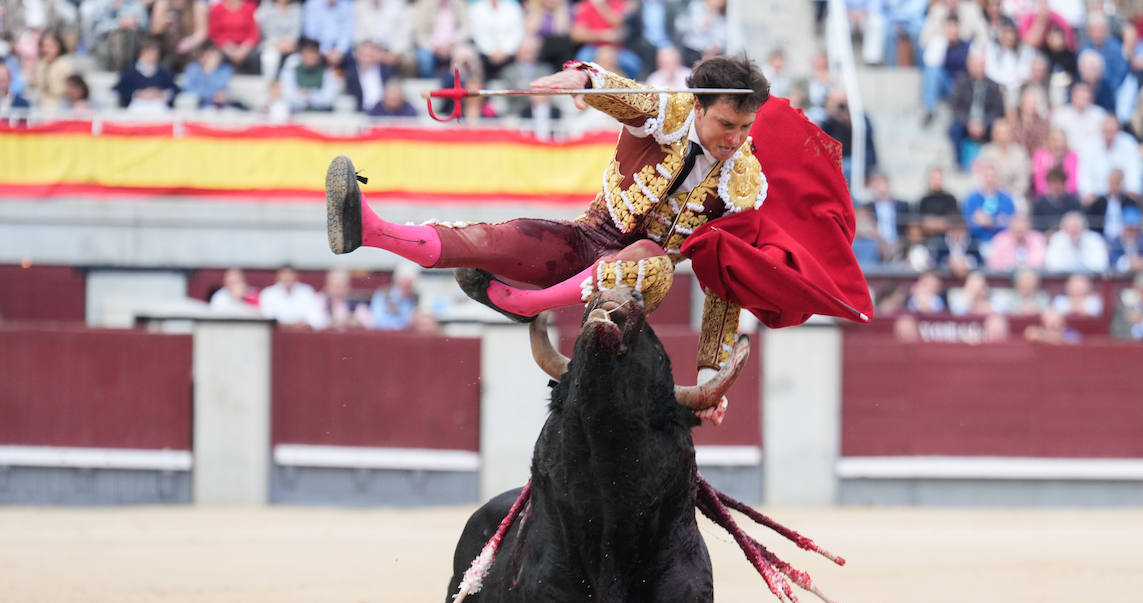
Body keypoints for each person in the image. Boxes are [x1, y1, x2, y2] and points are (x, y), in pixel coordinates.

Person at [322, 54, 872, 418]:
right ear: (698, 105)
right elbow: (623, 94)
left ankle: (519, 302)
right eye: (726, 125)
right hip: (587, 239)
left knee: (653, 259)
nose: (735, 139)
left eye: (745, 128)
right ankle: (371, 228)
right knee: (502, 239)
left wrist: (709, 375)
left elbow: (724, 276)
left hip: (632, 289)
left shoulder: (746, 185)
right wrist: (583, 80)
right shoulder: (668, 113)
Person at [115, 37, 176, 110]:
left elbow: (174, 89)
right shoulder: (130, 72)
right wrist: (138, 94)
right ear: (142, 53)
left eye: (155, 54)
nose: (153, 57)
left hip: (158, 106)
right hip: (137, 107)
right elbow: (120, 89)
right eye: (150, 53)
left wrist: (161, 93)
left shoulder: (163, 72)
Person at [260, 265, 327, 328]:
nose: (288, 278)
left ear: (296, 277)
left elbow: (316, 317)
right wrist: (286, 325)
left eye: (290, 275)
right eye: (285, 275)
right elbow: (268, 317)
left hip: (303, 333)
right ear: (278, 277)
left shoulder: (306, 291)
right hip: (276, 333)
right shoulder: (268, 293)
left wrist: (305, 323)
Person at [369, 262, 419, 329]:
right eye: (404, 285)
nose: (407, 288)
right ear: (397, 282)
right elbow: (377, 320)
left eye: (409, 286)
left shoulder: (414, 298)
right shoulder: (383, 294)